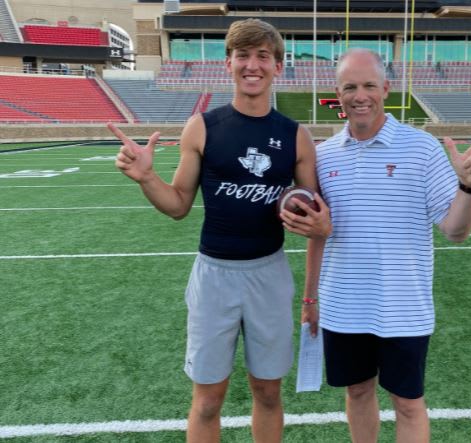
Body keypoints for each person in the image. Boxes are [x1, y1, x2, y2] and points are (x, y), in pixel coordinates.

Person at [108, 18, 330, 443]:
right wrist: (146, 179)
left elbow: (314, 214)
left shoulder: (296, 136)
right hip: (214, 275)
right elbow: (177, 206)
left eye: (262, 56)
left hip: (269, 272)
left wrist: (316, 222)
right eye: (243, 55)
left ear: (278, 66)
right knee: (208, 399)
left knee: (267, 392)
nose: (252, 65)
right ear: (228, 63)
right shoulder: (203, 127)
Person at [283, 48, 471, 442]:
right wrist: (310, 301)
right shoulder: (323, 156)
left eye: (369, 86)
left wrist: (469, 186)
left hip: (404, 305)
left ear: (387, 89)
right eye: (350, 87)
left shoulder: (422, 148)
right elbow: (317, 237)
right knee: (357, 390)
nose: (360, 95)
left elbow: (455, 231)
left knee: (408, 402)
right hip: (343, 304)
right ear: (337, 93)